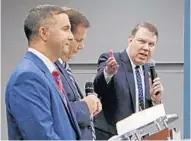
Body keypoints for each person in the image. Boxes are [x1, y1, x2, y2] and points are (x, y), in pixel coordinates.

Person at [5, 4, 81, 140]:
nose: (71, 37)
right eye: (66, 29)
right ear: (44, 33)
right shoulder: (27, 77)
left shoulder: (48, 73)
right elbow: (43, 137)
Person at [93, 22, 164, 140]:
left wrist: (156, 101)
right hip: (112, 136)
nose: (146, 48)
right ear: (130, 40)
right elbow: (99, 87)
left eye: (151, 44)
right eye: (141, 41)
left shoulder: (149, 69)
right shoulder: (111, 60)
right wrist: (108, 72)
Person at [54, 8, 102, 140]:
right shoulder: (50, 70)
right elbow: (57, 114)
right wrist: (85, 106)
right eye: (79, 40)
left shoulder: (64, 67)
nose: (82, 46)